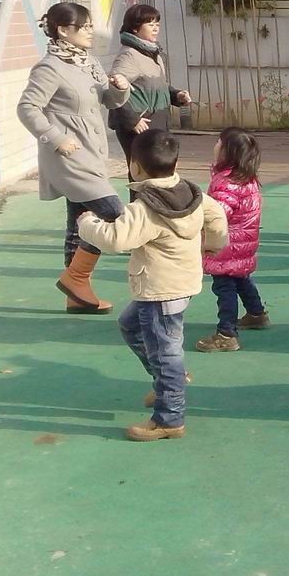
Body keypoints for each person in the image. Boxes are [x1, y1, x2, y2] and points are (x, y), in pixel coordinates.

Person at [77, 130, 229, 441]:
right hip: (181, 283)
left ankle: (169, 419)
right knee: (130, 325)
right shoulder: (193, 194)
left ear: (135, 166)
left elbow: (115, 239)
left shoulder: (145, 209)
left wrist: (87, 224)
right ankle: (169, 382)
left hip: (159, 291)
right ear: (176, 163)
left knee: (165, 354)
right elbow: (217, 215)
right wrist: (215, 243)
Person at [16, 3, 131, 313]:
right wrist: (55, 138)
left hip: (92, 151)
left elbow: (107, 99)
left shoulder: (87, 61)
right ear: (64, 30)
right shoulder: (49, 68)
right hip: (67, 155)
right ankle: (75, 278)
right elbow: (27, 108)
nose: (91, 31)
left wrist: (120, 89)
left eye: (90, 25)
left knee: (80, 218)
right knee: (112, 212)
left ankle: (77, 294)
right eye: (85, 26)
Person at [195, 128, 266, 352]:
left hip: (227, 244)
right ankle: (256, 313)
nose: (215, 146)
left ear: (228, 151)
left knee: (224, 287)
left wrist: (198, 225)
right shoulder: (246, 177)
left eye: (219, 142)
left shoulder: (226, 182)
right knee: (241, 278)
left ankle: (226, 333)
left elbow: (218, 214)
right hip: (242, 242)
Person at [108, 4, 191, 171]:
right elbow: (112, 91)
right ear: (135, 28)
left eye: (157, 24)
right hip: (141, 125)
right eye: (150, 24)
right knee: (143, 172)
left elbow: (157, 85)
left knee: (159, 171)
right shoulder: (129, 55)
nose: (155, 28)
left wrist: (176, 96)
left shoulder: (152, 53)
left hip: (158, 121)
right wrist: (132, 120)